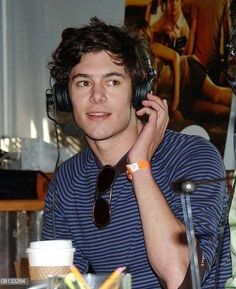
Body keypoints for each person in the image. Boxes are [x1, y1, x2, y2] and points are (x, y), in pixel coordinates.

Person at [42, 17, 231, 289]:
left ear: (138, 92)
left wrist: (139, 166)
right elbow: (59, 282)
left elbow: (183, 279)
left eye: (113, 82)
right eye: (83, 83)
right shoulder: (67, 179)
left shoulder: (194, 157)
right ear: (64, 96)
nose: (97, 96)